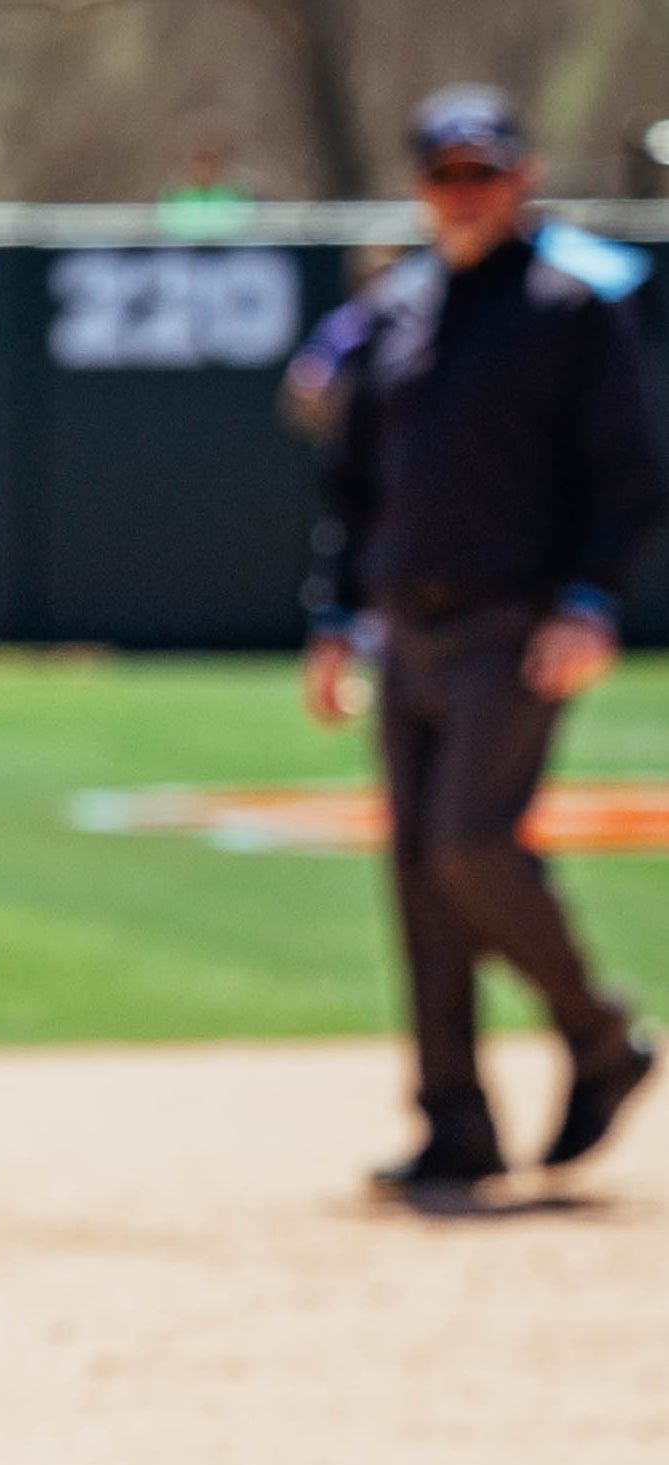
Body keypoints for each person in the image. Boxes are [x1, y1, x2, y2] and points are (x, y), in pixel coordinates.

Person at [304, 85, 663, 1195]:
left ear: (522, 177)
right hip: (403, 624)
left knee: (471, 845)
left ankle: (600, 1034)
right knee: (419, 878)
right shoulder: (396, 312)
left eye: (483, 173)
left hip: (514, 625)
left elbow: (627, 470)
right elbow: (351, 485)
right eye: (445, 176)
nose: (464, 195)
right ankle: (454, 1120)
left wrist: (590, 600)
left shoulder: (568, 308)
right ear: (419, 189)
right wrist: (331, 616)